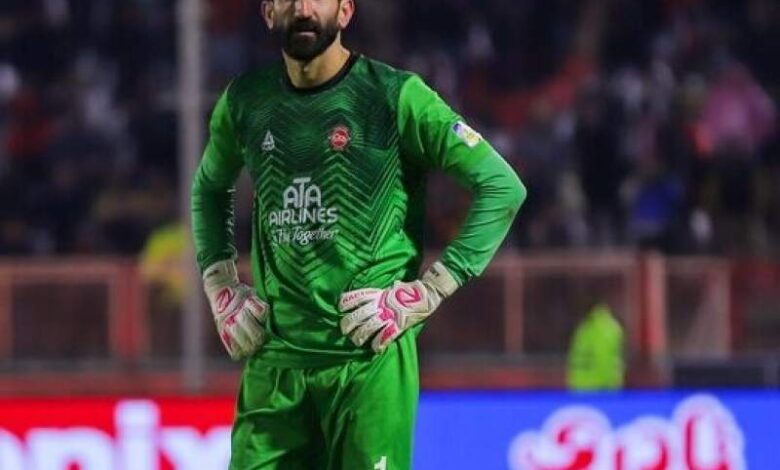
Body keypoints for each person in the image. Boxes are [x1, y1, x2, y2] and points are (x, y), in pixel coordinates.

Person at [190, 0, 526, 468]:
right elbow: (209, 188)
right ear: (268, 12)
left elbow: (502, 186)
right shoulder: (246, 101)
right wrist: (219, 283)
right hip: (275, 365)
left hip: (368, 362)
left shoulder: (395, 96)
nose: (303, 8)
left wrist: (432, 289)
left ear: (345, 11)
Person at [566, 303, 625, 391]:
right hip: (599, 388)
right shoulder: (608, 329)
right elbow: (604, 362)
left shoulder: (584, 328)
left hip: (579, 387)